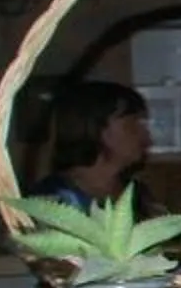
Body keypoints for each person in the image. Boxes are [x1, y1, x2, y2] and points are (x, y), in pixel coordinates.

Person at [25, 78, 153, 212]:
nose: (146, 136)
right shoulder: (52, 199)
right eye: (131, 126)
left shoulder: (138, 193)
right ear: (93, 127)